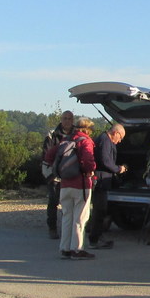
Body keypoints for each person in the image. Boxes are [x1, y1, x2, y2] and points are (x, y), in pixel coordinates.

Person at [44, 116, 97, 260]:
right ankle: (77, 250)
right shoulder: (85, 141)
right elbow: (88, 160)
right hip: (81, 184)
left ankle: (64, 249)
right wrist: (91, 169)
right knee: (80, 218)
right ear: (87, 129)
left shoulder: (66, 140)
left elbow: (49, 155)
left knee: (67, 216)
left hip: (65, 184)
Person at [87, 124, 127, 249]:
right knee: (99, 210)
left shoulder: (104, 139)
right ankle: (94, 239)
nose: (120, 141)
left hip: (102, 179)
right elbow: (105, 160)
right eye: (120, 137)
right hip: (100, 180)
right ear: (115, 132)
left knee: (101, 210)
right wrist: (118, 169)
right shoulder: (105, 140)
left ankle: (97, 236)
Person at [42, 110, 74, 239]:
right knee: (53, 201)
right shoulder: (51, 135)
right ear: (61, 119)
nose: (67, 121)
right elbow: (46, 154)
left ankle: (69, 229)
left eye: (69, 118)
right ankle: (52, 228)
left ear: (73, 120)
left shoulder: (77, 134)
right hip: (54, 174)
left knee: (70, 203)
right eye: (65, 118)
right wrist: (50, 175)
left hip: (71, 173)